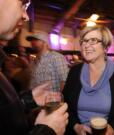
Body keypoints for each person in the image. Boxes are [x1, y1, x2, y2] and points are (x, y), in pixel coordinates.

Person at [0, 0, 68, 135]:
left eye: (35, 40)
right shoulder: (34, 61)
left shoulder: (56, 57)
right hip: (36, 113)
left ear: (43, 42)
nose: (32, 43)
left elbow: (64, 82)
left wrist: (28, 100)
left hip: (50, 108)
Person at [63, 25, 114, 135]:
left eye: (93, 40)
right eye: (84, 41)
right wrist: (75, 126)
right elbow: (65, 104)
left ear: (105, 47)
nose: (86, 45)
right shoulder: (74, 72)